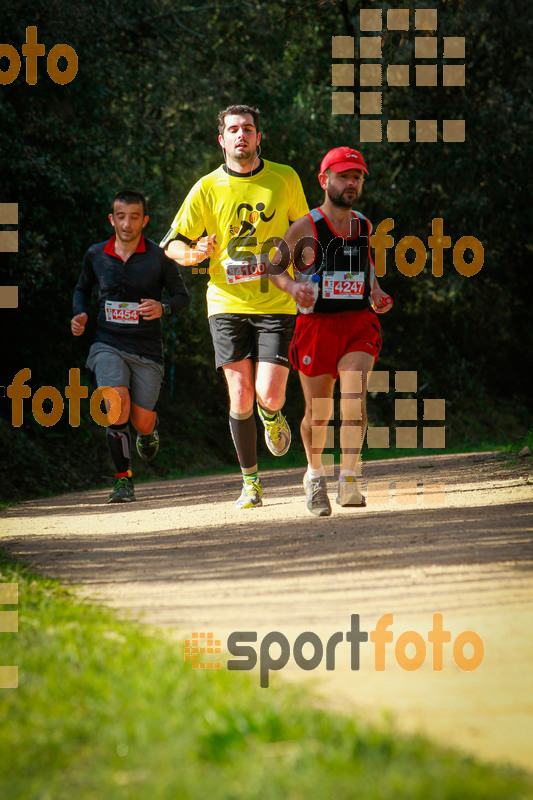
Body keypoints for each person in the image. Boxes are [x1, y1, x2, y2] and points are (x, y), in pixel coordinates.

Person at [162, 104, 308, 509]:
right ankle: (251, 482)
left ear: (258, 137)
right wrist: (191, 255)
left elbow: (307, 230)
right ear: (221, 140)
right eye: (233, 130)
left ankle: (273, 416)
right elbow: (170, 243)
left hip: (277, 300)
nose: (241, 135)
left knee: (270, 396)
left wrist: (297, 261)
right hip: (225, 301)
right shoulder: (206, 188)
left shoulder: (285, 178)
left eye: (248, 129)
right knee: (240, 395)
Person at [269, 147, 392, 516]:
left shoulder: (364, 226)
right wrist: (293, 289)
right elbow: (275, 267)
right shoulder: (307, 226)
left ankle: (350, 479)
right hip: (316, 325)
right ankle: (315, 476)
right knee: (318, 412)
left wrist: (376, 291)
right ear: (325, 181)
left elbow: (366, 265)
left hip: (357, 323)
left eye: (356, 177)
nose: (351, 183)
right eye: (343, 176)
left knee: (353, 400)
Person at [71, 190, 190, 503]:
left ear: (145, 221)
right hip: (106, 343)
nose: (127, 223)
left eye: (134, 216)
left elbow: (182, 297)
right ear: (112, 219)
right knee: (116, 402)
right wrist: (79, 315)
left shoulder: (159, 257)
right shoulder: (95, 255)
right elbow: (81, 289)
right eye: (120, 216)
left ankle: (149, 431)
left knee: (141, 420)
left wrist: (163, 307)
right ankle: (123, 481)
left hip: (147, 349)